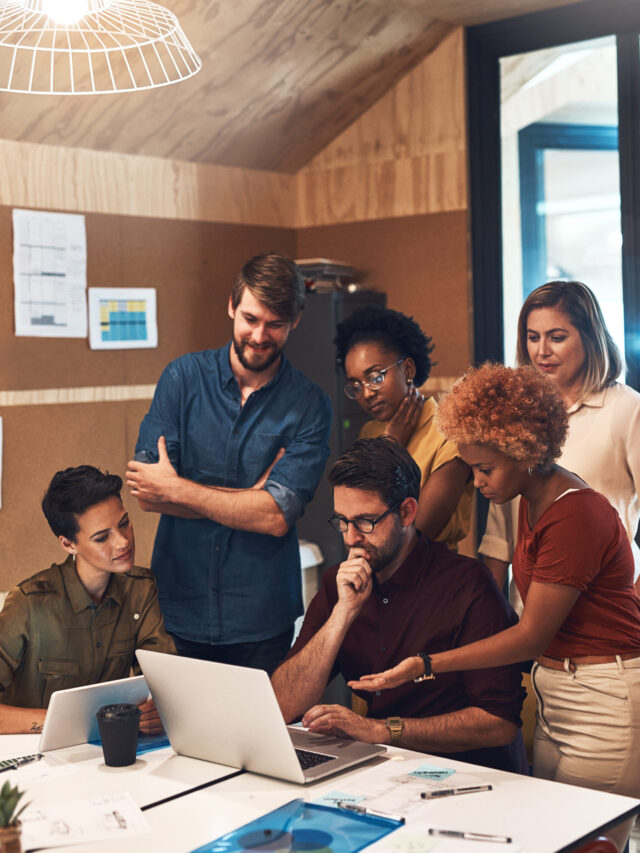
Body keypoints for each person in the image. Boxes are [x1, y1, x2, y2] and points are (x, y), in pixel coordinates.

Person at [351, 364, 640, 851]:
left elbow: (530, 636)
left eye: (485, 469)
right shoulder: (531, 496)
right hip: (561, 694)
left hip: (603, 702)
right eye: (472, 468)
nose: (478, 482)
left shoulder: (575, 514)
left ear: (524, 451)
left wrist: (425, 665)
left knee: (592, 845)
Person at [271, 436, 528, 773]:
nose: (350, 538)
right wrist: (343, 614)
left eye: (365, 522)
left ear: (407, 512)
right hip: (386, 771)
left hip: (470, 773)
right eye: (342, 521)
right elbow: (280, 704)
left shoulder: (467, 585)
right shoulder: (341, 583)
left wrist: (380, 730)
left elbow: (499, 722)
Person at [126, 252, 331, 674]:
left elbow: (276, 518)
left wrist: (179, 488)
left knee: (254, 741)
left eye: (274, 324)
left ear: (294, 321)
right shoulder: (182, 378)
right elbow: (149, 493)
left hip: (261, 617)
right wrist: (253, 498)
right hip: (178, 606)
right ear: (231, 307)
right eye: (251, 318)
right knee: (175, 740)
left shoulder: (311, 405)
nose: (259, 335)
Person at [479, 281, 640, 595]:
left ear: (589, 338)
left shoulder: (628, 410)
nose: (542, 351)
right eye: (532, 337)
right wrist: (493, 619)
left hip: (606, 614)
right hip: (526, 618)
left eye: (557, 337)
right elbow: (499, 539)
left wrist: (633, 606)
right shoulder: (513, 416)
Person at [0, 465, 175, 735]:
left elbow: (164, 683)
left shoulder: (141, 588)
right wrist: (71, 721)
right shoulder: (28, 603)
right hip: (33, 758)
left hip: (110, 750)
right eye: (102, 537)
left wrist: (158, 710)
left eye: (124, 524)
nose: (122, 542)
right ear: (68, 544)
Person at [334, 306, 472, 548]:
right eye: (355, 385)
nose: (366, 393)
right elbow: (354, 524)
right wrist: (390, 440)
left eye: (376, 377)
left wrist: (392, 447)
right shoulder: (370, 433)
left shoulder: (450, 433)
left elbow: (416, 533)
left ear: (407, 369)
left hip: (436, 574)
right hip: (375, 573)